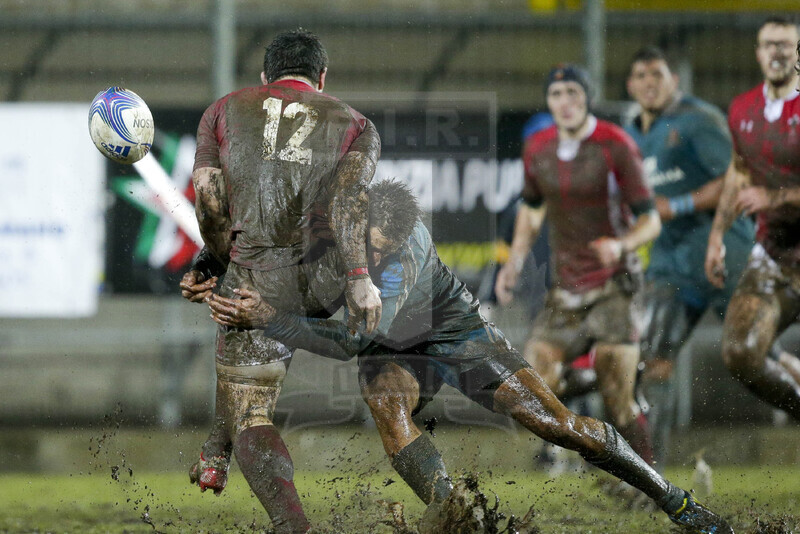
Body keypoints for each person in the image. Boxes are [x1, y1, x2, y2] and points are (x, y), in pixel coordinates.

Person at [209, 179, 733, 534]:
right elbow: (256, 237)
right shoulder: (329, 216)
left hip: (451, 331)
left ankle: (675, 501)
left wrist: (269, 319)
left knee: (555, 425)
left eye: (383, 250)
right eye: (369, 246)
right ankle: (455, 516)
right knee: (388, 408)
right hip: (390, 346)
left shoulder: (402, 254)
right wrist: (208, 266)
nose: (374, 258)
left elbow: (349, 340)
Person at [184, 29, 382, 534]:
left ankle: (287, 520)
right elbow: (348, 203)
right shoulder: (358, 124)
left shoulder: (224, 110)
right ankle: (212, 450)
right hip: (326, 281)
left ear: (264, 76)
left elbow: (209, 199)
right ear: (321, 78)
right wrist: (359, 279)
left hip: (255, 279)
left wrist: (216, 264)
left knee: (250, 405)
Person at [494, 64, 661, 466]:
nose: (565, 102)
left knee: (619, 402)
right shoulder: (538, 148)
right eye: (557, 94)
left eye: (573, 93)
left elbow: (650, 219)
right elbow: (532, 210)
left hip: (615, 286)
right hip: (567, 288)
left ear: (587, 97)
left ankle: (652, 479)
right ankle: (586, 404)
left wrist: (621, 245)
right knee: (531, 387)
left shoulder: (615, 144)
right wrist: (514, 261)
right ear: (548, 101)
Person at [621, 46, 758, 469]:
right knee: (653, 361)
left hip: (724, 253)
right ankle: (650, 471)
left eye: (658, 74)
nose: (649, 82)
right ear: (630, 85)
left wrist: (674, 206)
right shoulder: (633, 132)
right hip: (671, 264)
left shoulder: (700, 120)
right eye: (641, 75)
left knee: (757, 356)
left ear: (674, 81)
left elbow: (735, 179)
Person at [705, 16, 800, 422]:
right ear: (758, 53)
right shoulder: (743, 109)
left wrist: (774, 195)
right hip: (776, 255)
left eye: (785, 44)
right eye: (768, 45)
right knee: (740, 352)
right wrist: (716, 237)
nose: (776, 52)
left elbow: (760, 190)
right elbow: (739, 174)